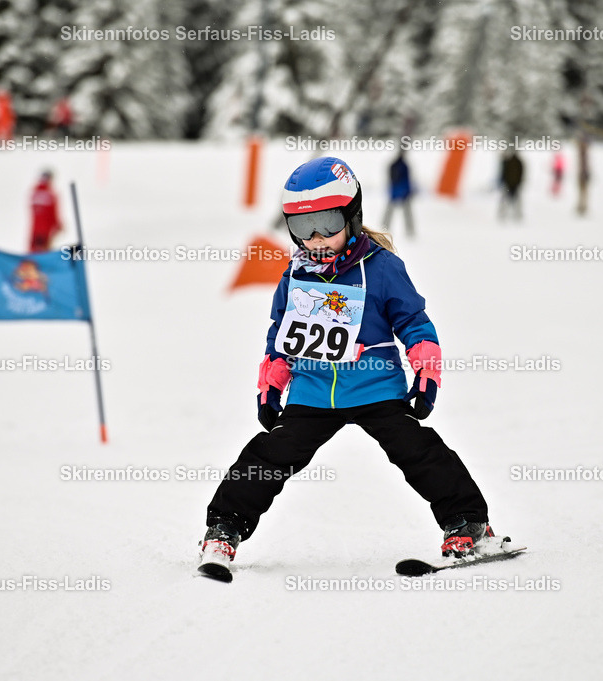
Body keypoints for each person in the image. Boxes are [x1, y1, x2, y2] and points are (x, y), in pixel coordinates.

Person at [200, 157, 493, 574]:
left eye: (327, 223)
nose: (316, 238)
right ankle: (224, 529)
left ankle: (469, 523)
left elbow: (414, 322)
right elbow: (280, 335)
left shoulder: (382, 268)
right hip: (314, 390)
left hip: (375, 388)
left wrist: (426, 372)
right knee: (268, 456)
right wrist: (271, 385)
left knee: (419, 451)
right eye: (302, 228)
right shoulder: (295, 276)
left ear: (353, 216)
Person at [382, 150, 415, 236]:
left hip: (398, 192)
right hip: (400, 192)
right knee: (394, 211)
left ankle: (384, 227)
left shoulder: (397, 165)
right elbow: (400, 180)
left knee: (395, 212)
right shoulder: (401, 166)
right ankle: (384, 227)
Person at [29, 170, 62, 252]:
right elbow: (54, 211)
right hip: (46, 230)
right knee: (44, 252)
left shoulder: (35, 192)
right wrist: (58, 225)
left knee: (34, 251)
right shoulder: (50, 193)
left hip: (35, 229)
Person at [498, 149, 524, 221]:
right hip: (511, 183)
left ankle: (514, 213)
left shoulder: (513, 162)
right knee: (510, 199)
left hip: (511, 183)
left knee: (512, 199)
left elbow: (520, 173)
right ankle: (508, 213)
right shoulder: (516, 162)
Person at [576, 133, 590, 216]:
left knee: (583, 191)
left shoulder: (583, 154)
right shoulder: (583, 153)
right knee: (582, 191)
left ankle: (583, 207)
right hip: (583, 174)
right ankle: (582, 206)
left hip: (583, 174)